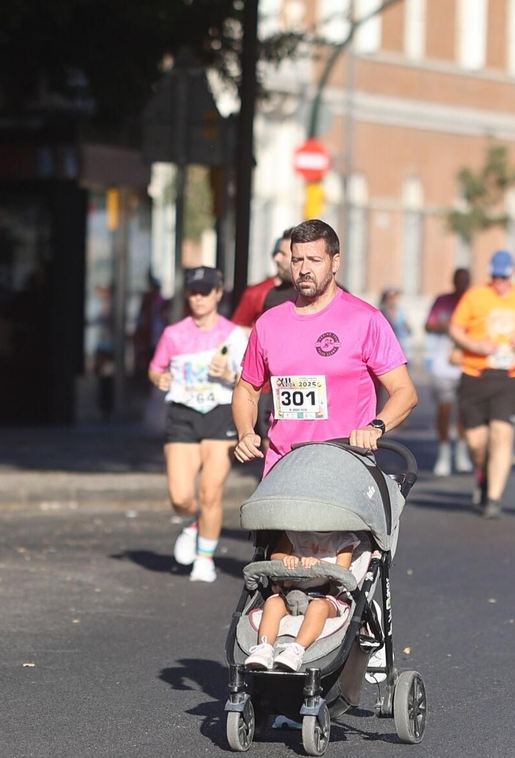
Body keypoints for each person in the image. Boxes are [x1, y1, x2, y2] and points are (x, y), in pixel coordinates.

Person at [231, 219, 417, 475]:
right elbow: (246, 390)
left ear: (335, 262)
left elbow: (404, 391)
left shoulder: (365, 320)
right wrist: (245, 433)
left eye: (314, 260)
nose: (304, 269)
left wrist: (375, 427)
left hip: (346, 464)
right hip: (283, 466)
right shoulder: (269, 323)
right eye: (297, 260)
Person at [149, 266, 247, 585]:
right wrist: (160, 378)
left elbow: (249, 381)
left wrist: (228, 376)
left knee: (210, 492)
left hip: (220, 414)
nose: (199, 298)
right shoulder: (174, 334)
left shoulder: (234, 336)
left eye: (206, 291)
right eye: (194, 292)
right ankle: (192, 522)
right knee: (180, 497)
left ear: (219, 293)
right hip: (183, 413)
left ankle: (204, 559)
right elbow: (155, 368)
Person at [450, 250, 515, 519]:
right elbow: (456, 328)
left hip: (510, 376)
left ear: (512, 273)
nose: (499, 281)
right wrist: (474, 344)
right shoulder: (475, 296)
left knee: (502, 434)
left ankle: (493, 499)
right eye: (495, 276)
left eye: (504, 276)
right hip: (475, 374)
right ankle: (483, 473)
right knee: (477, 442)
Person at [243, 530, 372, 672]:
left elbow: (342, 570)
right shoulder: (294, 533)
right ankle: (264, 648)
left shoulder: (344, 539)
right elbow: (276, 555)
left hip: (325, 596)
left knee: (318, 607)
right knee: (273, 603)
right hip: (291, 593)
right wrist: (285, 559)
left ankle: (296, 650)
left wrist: (319, 565)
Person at [423, 268, 472, 476]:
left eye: (465, 281)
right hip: (443, 364)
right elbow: (428, 325)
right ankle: (444, 452)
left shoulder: (472, 302)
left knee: (464, 411)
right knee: (444, 410)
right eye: (459, 280)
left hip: (467, 363)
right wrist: (442, 325)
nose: (462, 284)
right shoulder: (442, 301)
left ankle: (461, 450)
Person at [231, 229, 296, 328]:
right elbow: (235, 331)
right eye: (276, 253)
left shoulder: (312, 293)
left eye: (283, 254)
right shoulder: (256, 292)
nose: (277, 258)